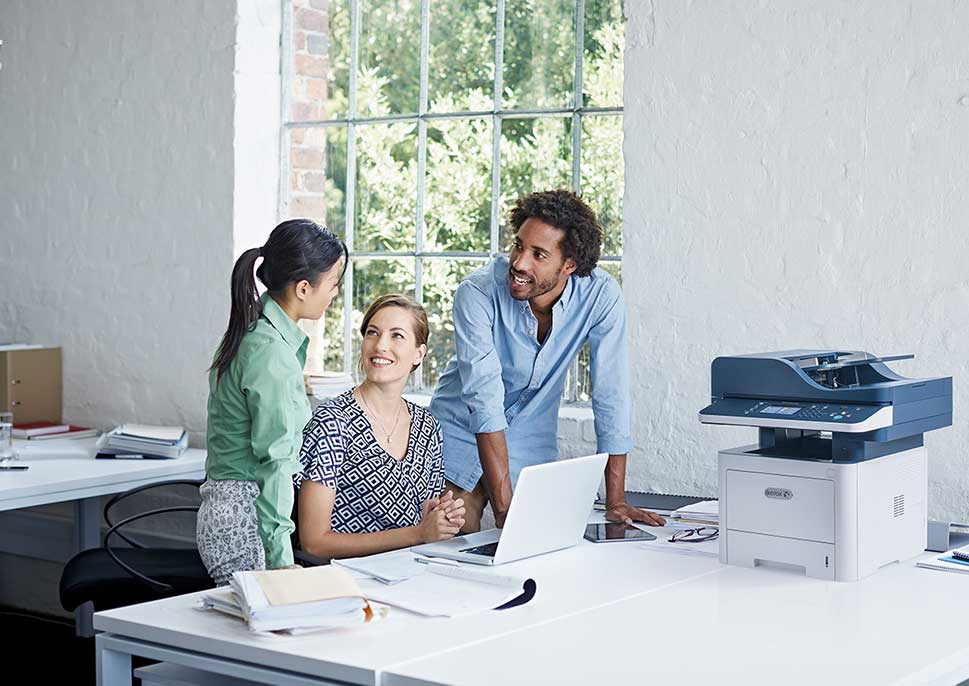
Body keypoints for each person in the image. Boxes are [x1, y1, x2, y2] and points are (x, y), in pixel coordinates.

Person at [429, 190, 666, 532]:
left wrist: (615, 501)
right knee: (451, 538)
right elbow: (484, 400)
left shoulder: (600, 296)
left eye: (538, 254)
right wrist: (503, 510)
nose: (520, 263)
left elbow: (611, 394)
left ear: (569, 265)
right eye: (518, 246)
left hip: (529, 441)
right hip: (460, 432)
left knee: (534, 550)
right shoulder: (478, 293)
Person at [197, 219, 347, 585]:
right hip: (246, 521)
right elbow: (276, 463)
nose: (335, 293)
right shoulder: (271, 356)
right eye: (333, 284)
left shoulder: (253, 334)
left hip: (233, 512)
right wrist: (281, 560)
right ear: (303, 288)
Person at [296, 295, 466, 559]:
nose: (380, 345)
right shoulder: (333, 422)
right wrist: (418, 535)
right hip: (344, 579)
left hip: (408, 570)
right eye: (372, 333)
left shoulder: (428, 426)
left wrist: (441, 519)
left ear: (418, 354)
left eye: (397, 336)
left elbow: (423, 516)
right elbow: (314, 542)